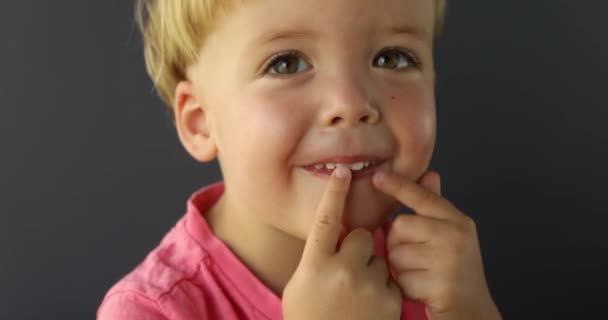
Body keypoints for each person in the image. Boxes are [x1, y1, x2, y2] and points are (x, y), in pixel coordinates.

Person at [97, 0, 502, 319]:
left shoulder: (438, 280)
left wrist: (475, 312)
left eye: (392, 58)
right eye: (286, 63)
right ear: (201, 121)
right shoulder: (151, 312)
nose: (351, 104)